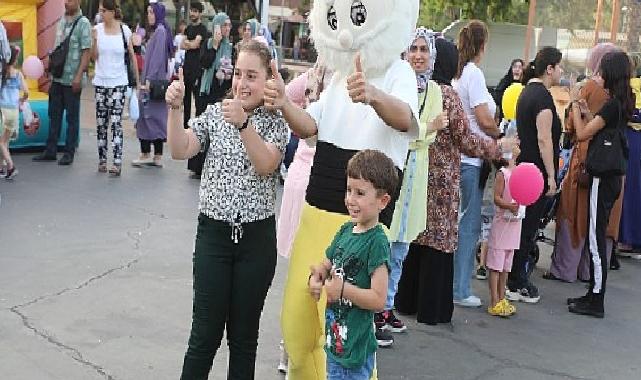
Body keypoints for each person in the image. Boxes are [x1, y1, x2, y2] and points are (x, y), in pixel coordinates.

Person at [271, 1, 421, 377]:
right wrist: (282, 102)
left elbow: (406, 118)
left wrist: (372, 95)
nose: (345, 31)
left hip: (365, 223)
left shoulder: (398, 71)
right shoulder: (337, 78)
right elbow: (309, 125)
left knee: (346, 336)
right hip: (317, 209)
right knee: (298, 323)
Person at [166, 39, 288, 379]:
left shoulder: (276, 121)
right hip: (214, 238)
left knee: (243, 339)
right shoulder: (216, 114)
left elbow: (265, 164)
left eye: (252, 75)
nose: (242, 84)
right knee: (204, 335)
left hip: (256, 241)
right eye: (238, 74)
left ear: (267, 81)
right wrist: (175, 110)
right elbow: (180, 149)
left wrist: (244, 125)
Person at [394, 37, 507, 325]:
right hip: (441, 181)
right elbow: (466, 140)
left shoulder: (415, 89)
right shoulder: (445, 94)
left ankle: (406, 301)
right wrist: (499, 147)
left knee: (415, 238)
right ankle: (432, 309)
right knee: (438, 241)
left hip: (415, 176)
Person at [308, 149, 398, 380]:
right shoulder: (346, 231)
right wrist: (317, 277)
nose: (350, 199)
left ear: (382, 201)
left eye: (360, 193)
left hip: (355, 352)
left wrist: (343, 290)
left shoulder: (377, 242)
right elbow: (326, 266)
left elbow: (378, 300)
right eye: (349, 190)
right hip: (336, 342)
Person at [379, 28, 445, 336]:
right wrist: (425, 129)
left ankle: (387, 306)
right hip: (395, 172)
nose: (418, 55)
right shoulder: (396, 85)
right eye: (413, 49)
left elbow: (423, 136)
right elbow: (407, 132)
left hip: (417, 177)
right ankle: (374, 308)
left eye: (423, 49)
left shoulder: (434, 92)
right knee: (383, 243)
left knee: (402, 248)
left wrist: (423, 131)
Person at [546, 43, 623, 282]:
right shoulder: (624, 97)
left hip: (586, 161)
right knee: (602, 222)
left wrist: (577, 106)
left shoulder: (589, 88)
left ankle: (565, 269)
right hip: (613, 165)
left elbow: (576, 130)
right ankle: (591, 273)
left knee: (573, 213)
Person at [566, 51, 633, 318]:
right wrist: (586, 111)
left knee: (595, 238)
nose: (599, 76)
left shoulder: (610, 105)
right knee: (597, 234)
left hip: (601, 178)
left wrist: (574, 104)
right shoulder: (622, 102)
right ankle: (593, 292)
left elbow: (582, 134)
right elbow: (598, 124)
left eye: (602, 71)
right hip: (613, 177)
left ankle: (596, 300)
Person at [506, 46, 563, 304]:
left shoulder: (527, 92)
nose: (561, 71)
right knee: (528, 227)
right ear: (549, 69)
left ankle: (514, 275)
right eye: (559, 66)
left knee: (523, 224)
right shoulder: (541, 98)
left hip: (524, 168)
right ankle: (516, 280)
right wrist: (552, 176)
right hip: (536, 172)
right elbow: (544, 139)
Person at [452, 20, 501, 308]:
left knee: (456, 223)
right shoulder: (474, 74)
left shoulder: (457, 74)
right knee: (468, 225)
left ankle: (454, 284)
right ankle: (459, 288)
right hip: (471, 159)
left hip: (457, 157)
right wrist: (500, 134)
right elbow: (483, 118)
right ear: (482, 45)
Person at [33, 0, 91, 165]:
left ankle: (69, 152)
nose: (67, 3)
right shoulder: (61, 21)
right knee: (54, 114)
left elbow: (86, 52)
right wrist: (50, 68)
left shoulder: (83, 23)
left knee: (72, 118)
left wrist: (79, 76)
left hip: (72, 79)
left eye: (71, 0)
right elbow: (57, 48)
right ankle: (50, 150)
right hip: (57, 78)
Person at [91, 0, 139, 176]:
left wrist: (137, 81)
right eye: (100, 11)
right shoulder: (97, 30)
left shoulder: (124, 30)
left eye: (104, 11)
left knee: (116, 123)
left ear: (112, 12)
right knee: (101, 123)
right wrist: (94, 41)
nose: (101, 14)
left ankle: (117, 162)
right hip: (100, 83)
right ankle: (102, 159)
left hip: (118, 83)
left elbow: (132, 56)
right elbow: (93, 56)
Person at [187, 12, 234, 179]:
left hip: (222, 94)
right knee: (202, 128)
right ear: (217, 27)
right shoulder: (208, 44)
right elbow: (205, 63)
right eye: (224, 25)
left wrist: (229, 73)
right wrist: (214, 45)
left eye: (229, 25)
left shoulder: (230, 47)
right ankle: (197, 165)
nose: (227, 28)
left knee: (218, 132)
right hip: (206, 93)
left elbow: (234, 70)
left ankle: (213, 166)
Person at [132, 2, 172, 168]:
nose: (149, 15)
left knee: (147, 115)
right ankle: (156, 155)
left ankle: (146, 153)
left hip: (151, 82)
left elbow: (156, 59)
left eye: (151, 12)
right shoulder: (160, 31)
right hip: (155, 81)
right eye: (148, 12)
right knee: (156, 117)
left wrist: (148, 80)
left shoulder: (160, 31)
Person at [486, 145, 522, 317]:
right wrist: (509, 206)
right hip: (502, 225)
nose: (518, 144)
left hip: (515, 225)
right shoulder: (503, 174)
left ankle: (502, 297)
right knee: (496, 265)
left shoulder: (520, 172)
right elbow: (497, 198)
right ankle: (494, 300)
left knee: (506, 266)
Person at [619, 75, 641, 254]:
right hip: (631, 142)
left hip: (631, 141)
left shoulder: (630, 85)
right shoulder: (631, 85)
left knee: (631, 188)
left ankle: (628, 237)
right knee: (632, 188)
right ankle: (629, 236)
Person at [0, 46, 28, 180]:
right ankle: (1, 167)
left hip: (2, 110)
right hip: (14, 111)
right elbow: (26, 92)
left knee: (1, 142)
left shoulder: (2, 73)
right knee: (5, 141)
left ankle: (11, 167)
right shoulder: (18, 74)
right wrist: (21, 100)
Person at [181, 2, 207, 132]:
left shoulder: (203, 29)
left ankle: (197, 128)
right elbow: (182, 45)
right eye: (191, 10)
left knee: (197, 100)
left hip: (197, 69)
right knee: (185, 100)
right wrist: (188, 43)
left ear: (200, 13)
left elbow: (195, 45)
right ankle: (185, 126)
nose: (192, 13)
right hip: (187, 68)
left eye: (195, 11)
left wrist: (189, 43)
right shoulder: (188, 28)